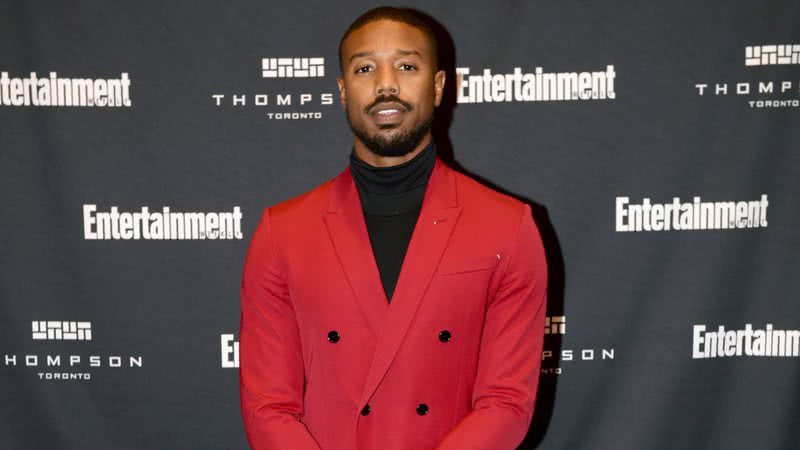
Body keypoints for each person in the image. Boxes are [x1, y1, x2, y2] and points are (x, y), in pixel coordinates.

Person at [239, 6, 548, 450]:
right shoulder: (282, 232)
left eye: (406, 66)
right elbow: (268, 407)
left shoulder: (507, 227)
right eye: (365, 68)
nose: (386, 84)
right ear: (343, 90)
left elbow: (506, 403)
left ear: (438, 86)